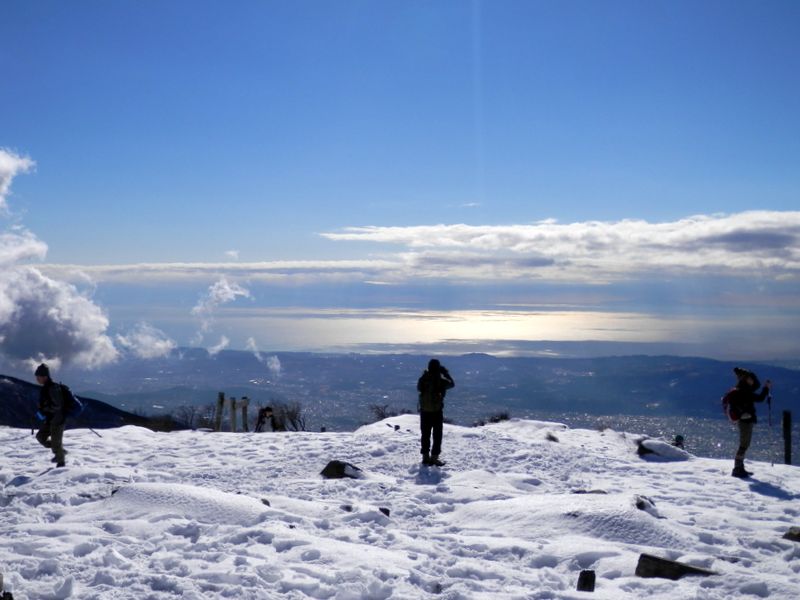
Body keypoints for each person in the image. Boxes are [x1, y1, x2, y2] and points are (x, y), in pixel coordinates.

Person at [723, 367, 772, 478]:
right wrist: (766, 388)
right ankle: (737, 468)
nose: (752, 380)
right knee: (744, 444)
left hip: (744, 420)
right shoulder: (744, 391)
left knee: (744, 444)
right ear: (745, 379)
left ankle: (740, 467)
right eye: (750, 378)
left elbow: (756, 385)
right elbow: (760, 398)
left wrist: (747, 374)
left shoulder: (742, 389)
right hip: (745, 420)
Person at [417, 359, 455, 466]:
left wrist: (425, 375)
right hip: (436, 412)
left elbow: (419, 389)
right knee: (437, 435)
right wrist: (445, 373)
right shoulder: (440, 381)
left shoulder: (423, 379)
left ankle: (425, 457)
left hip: (424, 412)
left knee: (425, 434)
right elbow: (452, 384)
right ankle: (434, 458)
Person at [34, 363, 68, 468]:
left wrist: (44, 410)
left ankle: (60, 465)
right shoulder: (46, 387)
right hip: (50, 419)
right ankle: (60, 451)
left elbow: (57, 405)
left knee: (56, 442)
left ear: (44, 377)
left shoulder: (53, 388)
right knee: (40, 437)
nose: (37, 379)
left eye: (38, 377)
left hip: (58, 419)